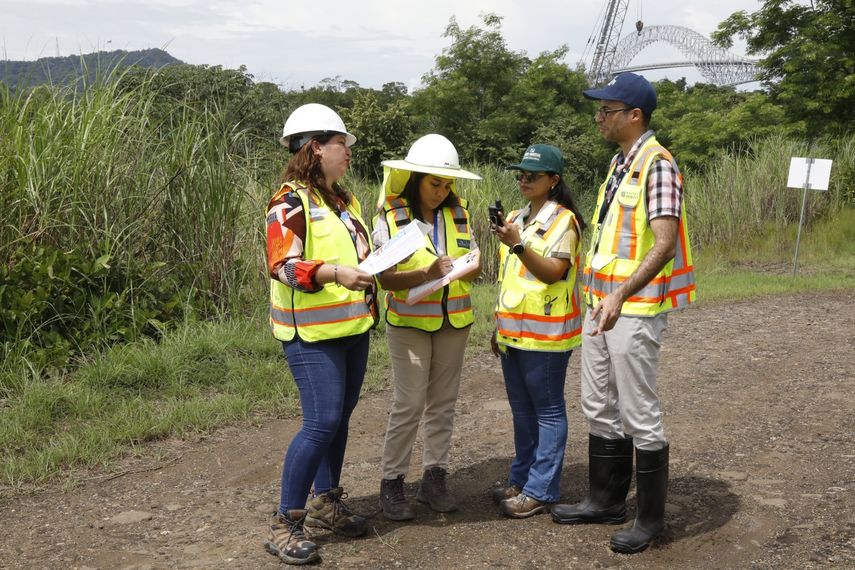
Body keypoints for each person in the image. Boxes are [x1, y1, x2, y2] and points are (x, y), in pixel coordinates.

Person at [550, 73, 696, 554]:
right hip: (601, 306)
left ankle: (649, 521)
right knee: (599, 405)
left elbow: (664, 244)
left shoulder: (657, 166)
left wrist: (619, 296)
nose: (599, 118)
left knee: (639, 412)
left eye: (606, 110)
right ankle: (604, 500)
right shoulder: (619, 164)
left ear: (635, 115)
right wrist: (598, 298)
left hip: (632, 309)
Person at [264, 103, 378, 565]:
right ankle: (285, 522)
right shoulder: (287, 202)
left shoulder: (344, 201)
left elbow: (359, 255)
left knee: (339, 420)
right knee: (320, 423)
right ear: (316, 147)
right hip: (310, 335)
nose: (347, 153)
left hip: (351, 327)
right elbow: (282, 266)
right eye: (340, 145)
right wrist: (334, 273)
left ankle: (326, 504)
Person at [374, 134, 482, 521]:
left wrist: (473, 265)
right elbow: (385, 279)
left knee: (443, 404)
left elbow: (472, 263)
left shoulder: (460, 214)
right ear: (416, 178)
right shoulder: (390, 217)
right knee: (409, 404)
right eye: (435, 183)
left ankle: (434, 478)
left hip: (455, 320)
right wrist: (426, 273)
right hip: (410, 323)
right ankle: (392, 482)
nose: (442, 191)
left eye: (448, 184)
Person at [489, 144, 587, 519]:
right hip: (514, 330)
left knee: (547, 410)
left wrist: (517, 243)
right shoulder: (516, 216)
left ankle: (542, 488)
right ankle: (521, 478)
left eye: (533, 175)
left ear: (554, 180)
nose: (524, 180)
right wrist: (498, 325)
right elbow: (508, 278)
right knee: (521, 411)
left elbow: (552, 272)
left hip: (548, 333)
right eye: (521, 174)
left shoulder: (565, 222)